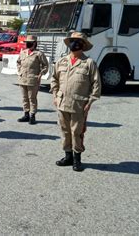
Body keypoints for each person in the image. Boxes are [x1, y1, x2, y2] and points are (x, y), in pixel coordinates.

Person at [50, 32, 101, 172]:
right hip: (62, 103)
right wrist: (55, 95)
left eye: (78, 41)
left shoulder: (89, 63)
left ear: (83, 45)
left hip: (79, 104)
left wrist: (90, 102)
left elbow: (96, 84)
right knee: (65, 131)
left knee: (76, 132)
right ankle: (68, 157)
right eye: (72, 40)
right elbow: (53, 78)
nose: (75, 43)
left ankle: (77, 159)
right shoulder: (62, 61)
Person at [16, 35, 49, 125]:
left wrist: (41, 74)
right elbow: (18, 62)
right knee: (24, 98)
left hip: (33, 80)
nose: (27, 44)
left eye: (29, 42)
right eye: (26, 42)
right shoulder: (23, 52)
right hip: (22, 79)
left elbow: (45, 65)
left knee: (32, 98)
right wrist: (19, 71)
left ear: (34, 43)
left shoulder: (39, 54)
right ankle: (26, 114)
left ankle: (32, 116)